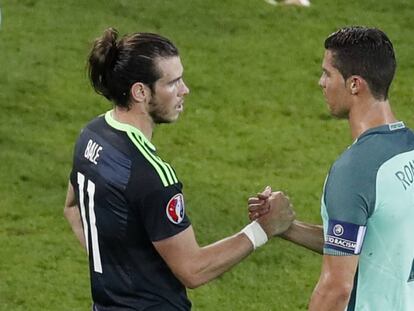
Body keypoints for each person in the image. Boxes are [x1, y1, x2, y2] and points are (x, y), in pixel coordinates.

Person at [63, 28, 295, 311]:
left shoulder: (92, 134)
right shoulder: (150, 175)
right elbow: (193, 270)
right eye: (173, 82)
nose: (185, 90)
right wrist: (262, 229)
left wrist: (116, 267)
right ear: (140, 92)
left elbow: (72, 208)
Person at [249, 26, 414, 310]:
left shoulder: (356, 171)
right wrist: (288, 228)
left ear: (354, 84)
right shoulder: (407, 149)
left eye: (328, 73)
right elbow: (367, 240)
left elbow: (336, 288)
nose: (320, 82)